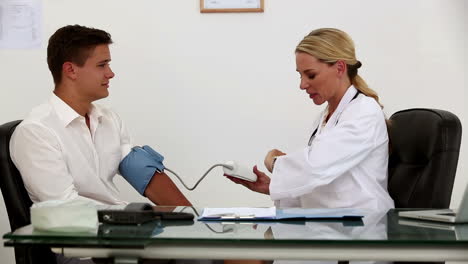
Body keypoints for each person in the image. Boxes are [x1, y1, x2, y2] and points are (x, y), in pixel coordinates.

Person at [10, 24, 191, 208]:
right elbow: (64, 206)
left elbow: (142, 171)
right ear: (71, 70)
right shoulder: (36, 132)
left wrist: (194, 218)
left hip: (116, 226)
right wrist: (139, 217)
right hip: (77, 233)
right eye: (102, 65)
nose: (110, 73)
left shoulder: (108, 119)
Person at [227, 28, 394, 212]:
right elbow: (323, 183)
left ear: (340, 68)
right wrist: (271, 187)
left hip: (364, 229)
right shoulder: (323, 118)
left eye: (311, 75)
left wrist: (274, 162)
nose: (302, 84)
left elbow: (314, 168)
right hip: (335, 226)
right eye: (300, 75)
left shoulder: (364, 111)